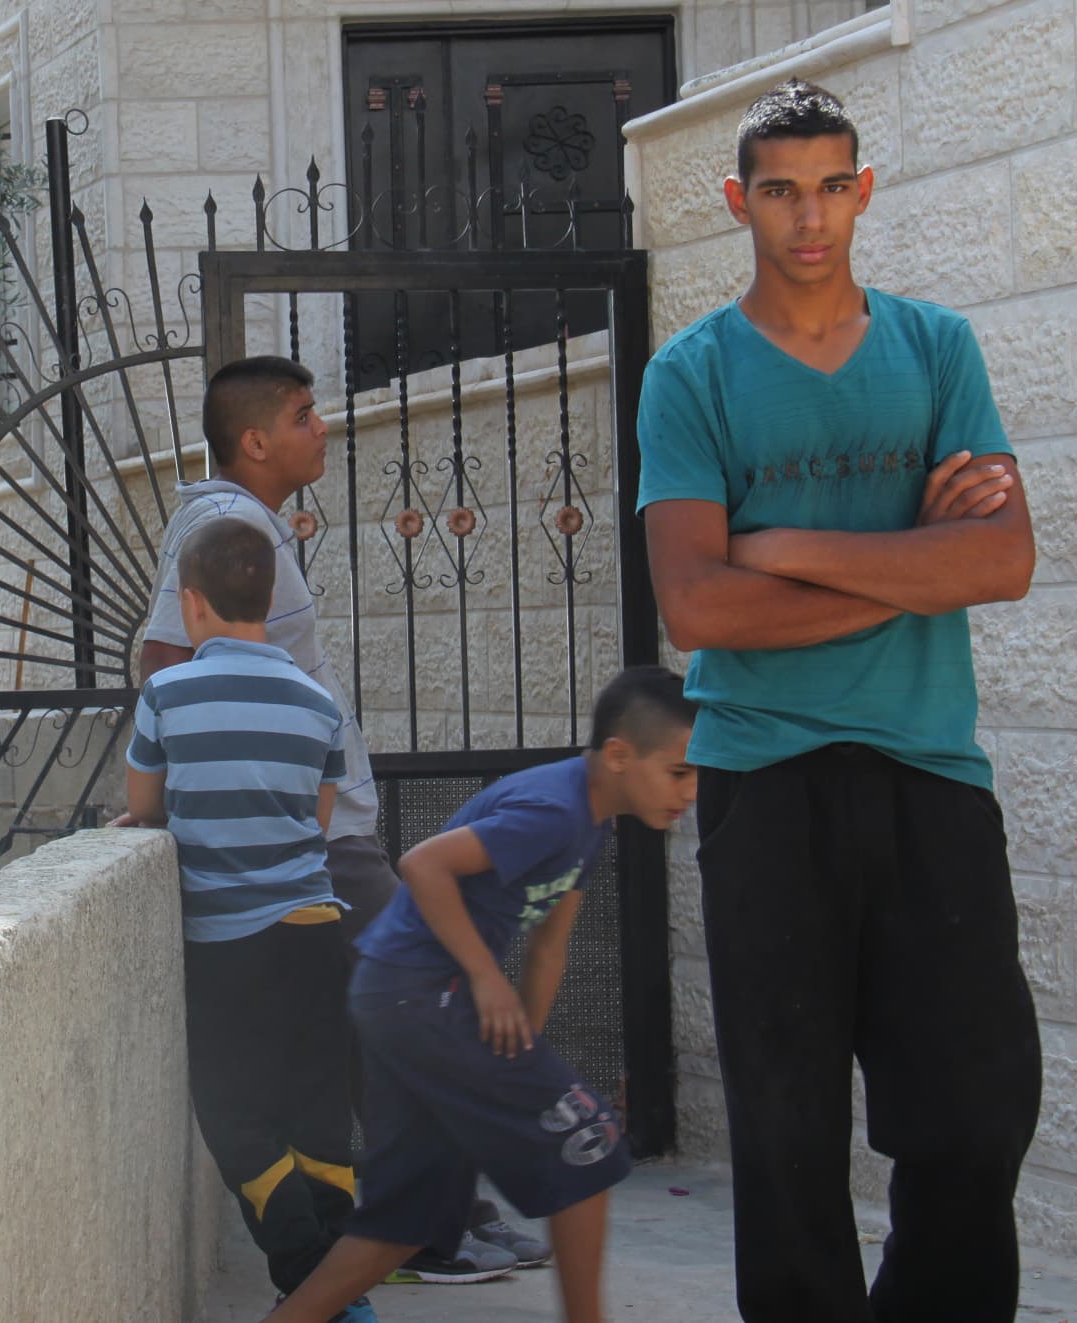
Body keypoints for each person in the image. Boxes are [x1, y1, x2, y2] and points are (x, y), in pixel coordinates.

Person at [634, 78, 1043, 1322]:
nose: (808, 218)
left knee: (975, 1117)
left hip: (933, 774)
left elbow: (1001, 562)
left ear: (862, 190)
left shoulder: (938, 350)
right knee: (788, 1131)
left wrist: (783, 547)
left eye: (830, 187)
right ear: (737, 202)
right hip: (766, 784)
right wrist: (907, 567)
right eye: (778, 191)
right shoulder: (691, 375)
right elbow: (697, 611)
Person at [135, 354, 528, 1284]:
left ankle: (430, 1221)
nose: (325, 427)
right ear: (256, 440)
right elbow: (162, 659)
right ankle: (427, 1229)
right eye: (307, 415)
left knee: (379, 1028)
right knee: (413, 1008)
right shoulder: (226, 523)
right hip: (316, 844)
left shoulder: (252, 523)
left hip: (322, 834)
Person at [263, 666, 701, 1323]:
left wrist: (526, 1047)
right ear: (619, 754)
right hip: (421, 992)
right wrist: (485, 978)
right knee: (591, 1143)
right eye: (679, 772)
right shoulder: (553, 809)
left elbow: (550, 944)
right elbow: (422, 863)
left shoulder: (592, 822)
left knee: (410, 1215)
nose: (689, 792)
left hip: (402, 995)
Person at [121, 516, 376, 1323]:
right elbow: (319, 813)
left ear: (192, 604)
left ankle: (312, 1286)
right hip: (312, 934)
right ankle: (342, 1286)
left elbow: (143, 808)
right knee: (318, 1118)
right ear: (268, 597)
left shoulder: (166, 692)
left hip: (226, 950)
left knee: (233, 1113)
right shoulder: (316, 700)